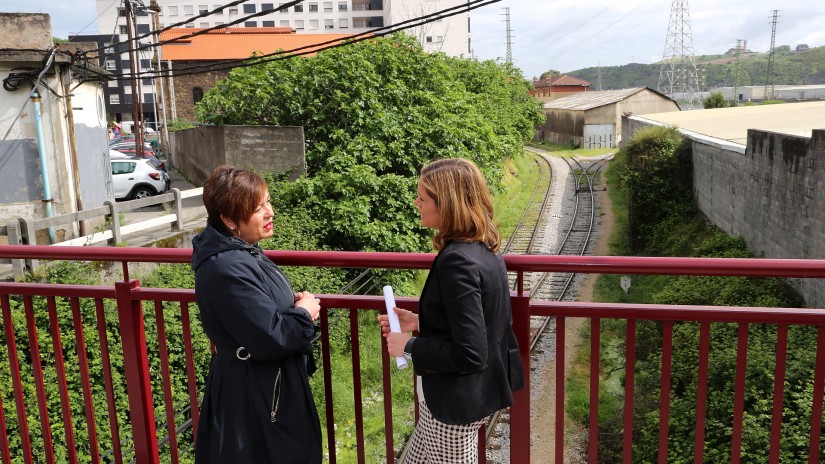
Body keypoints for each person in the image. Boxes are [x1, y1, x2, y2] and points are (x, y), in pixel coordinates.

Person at [378, 158, 524, 463]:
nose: (416, 202)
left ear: (447, 205)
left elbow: (471, 352)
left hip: (454, 405)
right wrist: (420, 321)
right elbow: (478, 319)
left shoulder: (456, 260)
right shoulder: (484, 248)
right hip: (472, 394)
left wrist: (408, 345)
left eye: (423, 197)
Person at [191, 165, 322, 463]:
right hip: (254, 392)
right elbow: (271, 337)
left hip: (264, 384)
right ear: (228, 219)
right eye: (257, 208)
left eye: (268, 202)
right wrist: (303, 314)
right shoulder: (226, 266)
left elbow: (259, 311)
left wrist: (292, 304)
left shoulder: (244, 251)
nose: (269, 212)